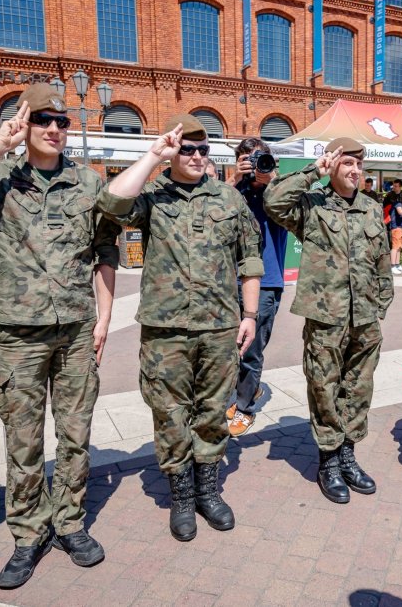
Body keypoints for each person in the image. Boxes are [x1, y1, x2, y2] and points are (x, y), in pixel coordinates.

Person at [0, 84, 120, 588]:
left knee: (76, 435)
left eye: (62, 121)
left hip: (76, 333)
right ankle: (29, 533)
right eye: (43, 120)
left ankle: (70, 523)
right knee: (23, 440)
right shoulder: (1, 178)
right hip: (21, 337)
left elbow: (105, 251)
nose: (54, 129)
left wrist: (103, 317)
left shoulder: (88, 183)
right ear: (26, 126)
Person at [97, 115, 264, 541]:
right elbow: (111, 203)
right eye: (186, 148)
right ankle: (182, 497)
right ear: (173, 150)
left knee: (212, 411)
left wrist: (249, 315)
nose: (195, 156)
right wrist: (154, 155)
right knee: (170, 414)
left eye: (202, 149)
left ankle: (208, 490)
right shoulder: (152, 196)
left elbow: (249, 260)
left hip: (219, 326)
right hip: (165, 328)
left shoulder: (229, 200)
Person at [264, 138, 393, 504]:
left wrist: (382, 301)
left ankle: (348, 455)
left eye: (359, 165)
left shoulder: (370, 208)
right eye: (348, 163)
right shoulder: (312, 206)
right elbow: (273, 202)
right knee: (324, 387)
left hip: (365, 318)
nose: (356, 171)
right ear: (333, 165)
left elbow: (382, 260)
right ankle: (329, 461)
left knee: (358, 387)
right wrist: (312, 172)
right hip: (325, 317)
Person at [224, 138, 286, 437]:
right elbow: (214, 208)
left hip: (266, 281)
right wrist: (235, 178)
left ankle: (245, 407)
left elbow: (288, 206)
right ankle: (243, 392)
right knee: (226, 347)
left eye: (260, 158)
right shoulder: (234, 191)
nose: (255, 164)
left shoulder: (278, 191)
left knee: (251, 349)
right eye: (248, 159)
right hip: (229, 280)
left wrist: (270, 179)